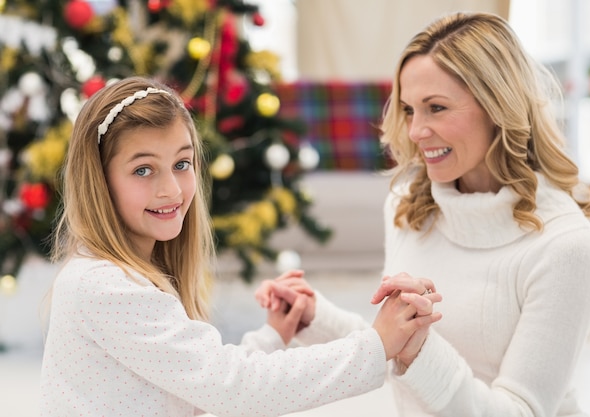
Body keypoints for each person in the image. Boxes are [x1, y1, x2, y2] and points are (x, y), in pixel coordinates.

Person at [256, 11, 590, 417]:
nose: (416, 131)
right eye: (408, 109)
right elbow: (399, 350)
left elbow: (518, 411)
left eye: (436, 108)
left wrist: (421, 345)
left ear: (498, 106)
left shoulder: (565, 247)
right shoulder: (408, 206)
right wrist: (317, 317)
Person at [39, 76, 443, 417]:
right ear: (99, 182)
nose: (171, 189)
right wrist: (374, 345)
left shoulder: (118, 276)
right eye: (143, 169)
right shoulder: (106, 287)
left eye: (181, 164)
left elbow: (195, 384)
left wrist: (271, 336)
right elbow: (233, 387)